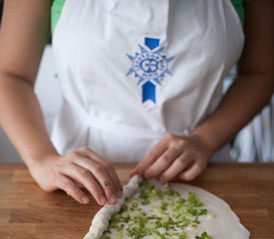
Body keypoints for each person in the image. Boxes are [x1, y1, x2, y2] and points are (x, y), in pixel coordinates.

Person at [0, 0, 273, 206]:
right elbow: (10, 75)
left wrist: (205, 140)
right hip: (76, 175)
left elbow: (261, 72)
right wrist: (42, 159)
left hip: (201, 167)